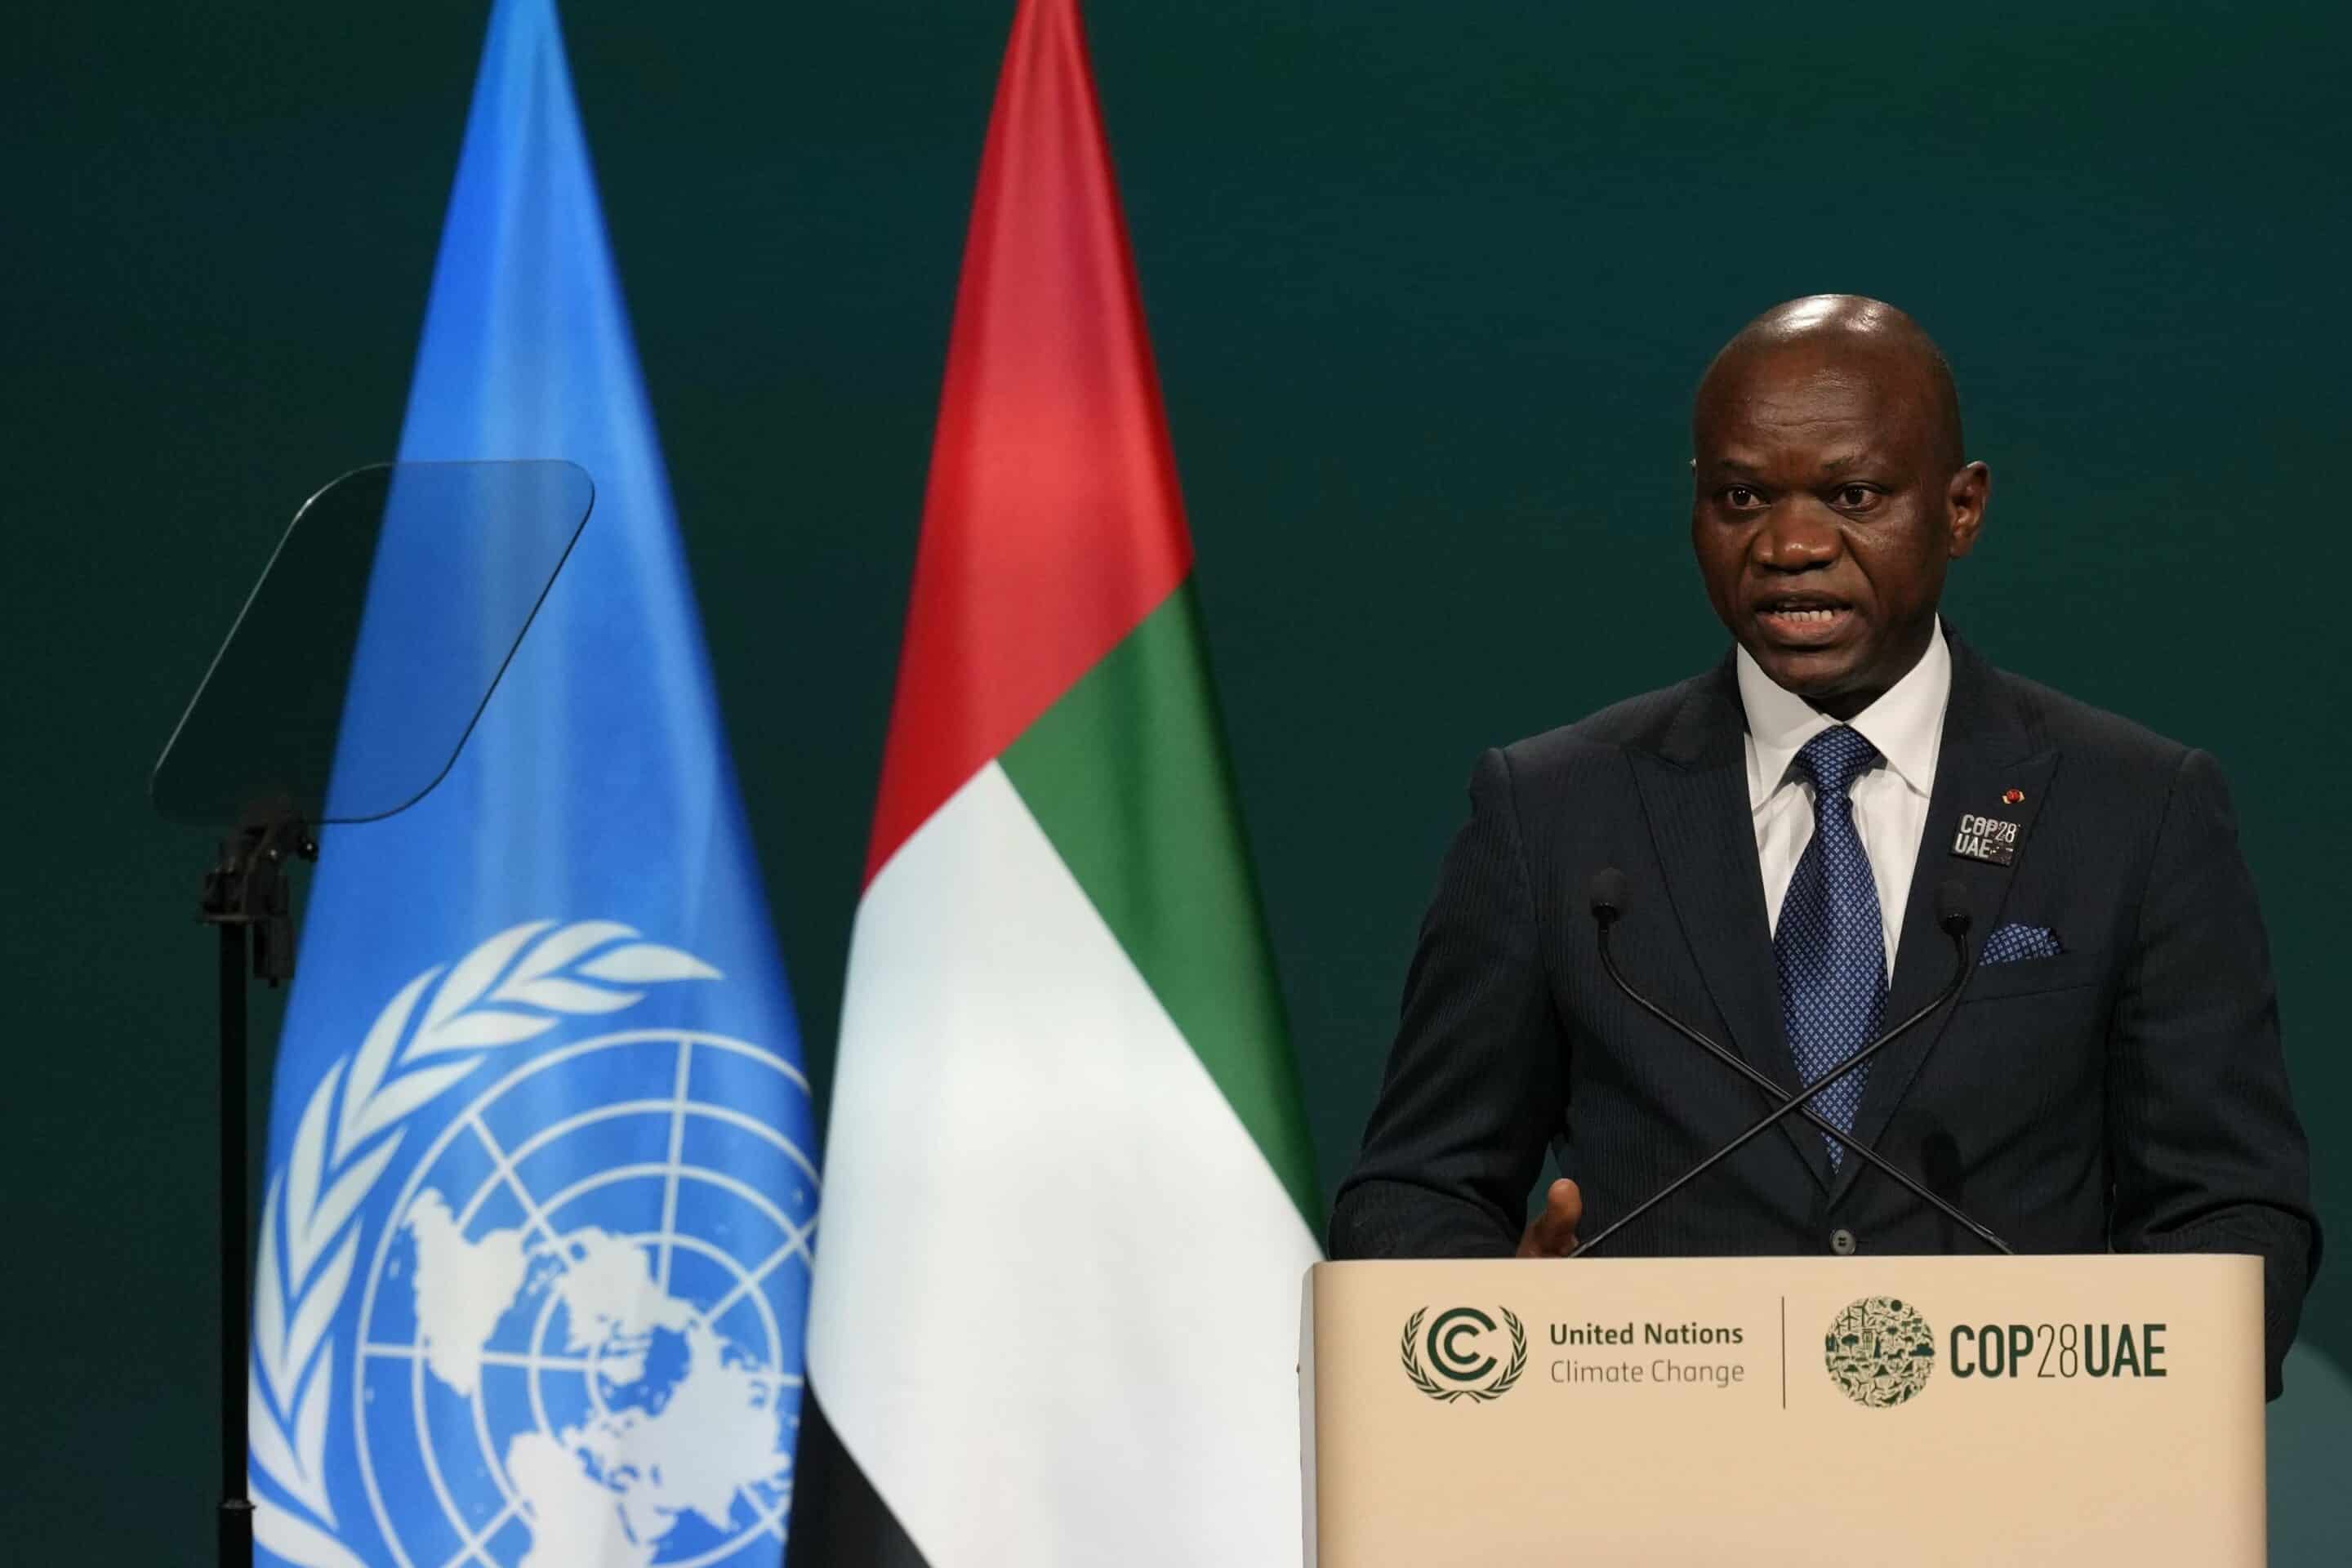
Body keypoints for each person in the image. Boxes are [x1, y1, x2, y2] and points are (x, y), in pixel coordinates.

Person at [1328, 295, 2318, 1395]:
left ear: (1962, 509)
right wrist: (1492, 1342)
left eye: (1854, 496)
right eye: (1742, 496)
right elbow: (1417, 1187)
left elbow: (2230, 1204)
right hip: (1650, 1492)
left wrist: (2130, 1410)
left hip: (2017, 1501)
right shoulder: (1553, 810)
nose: (1791, 546)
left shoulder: (2134, 806)